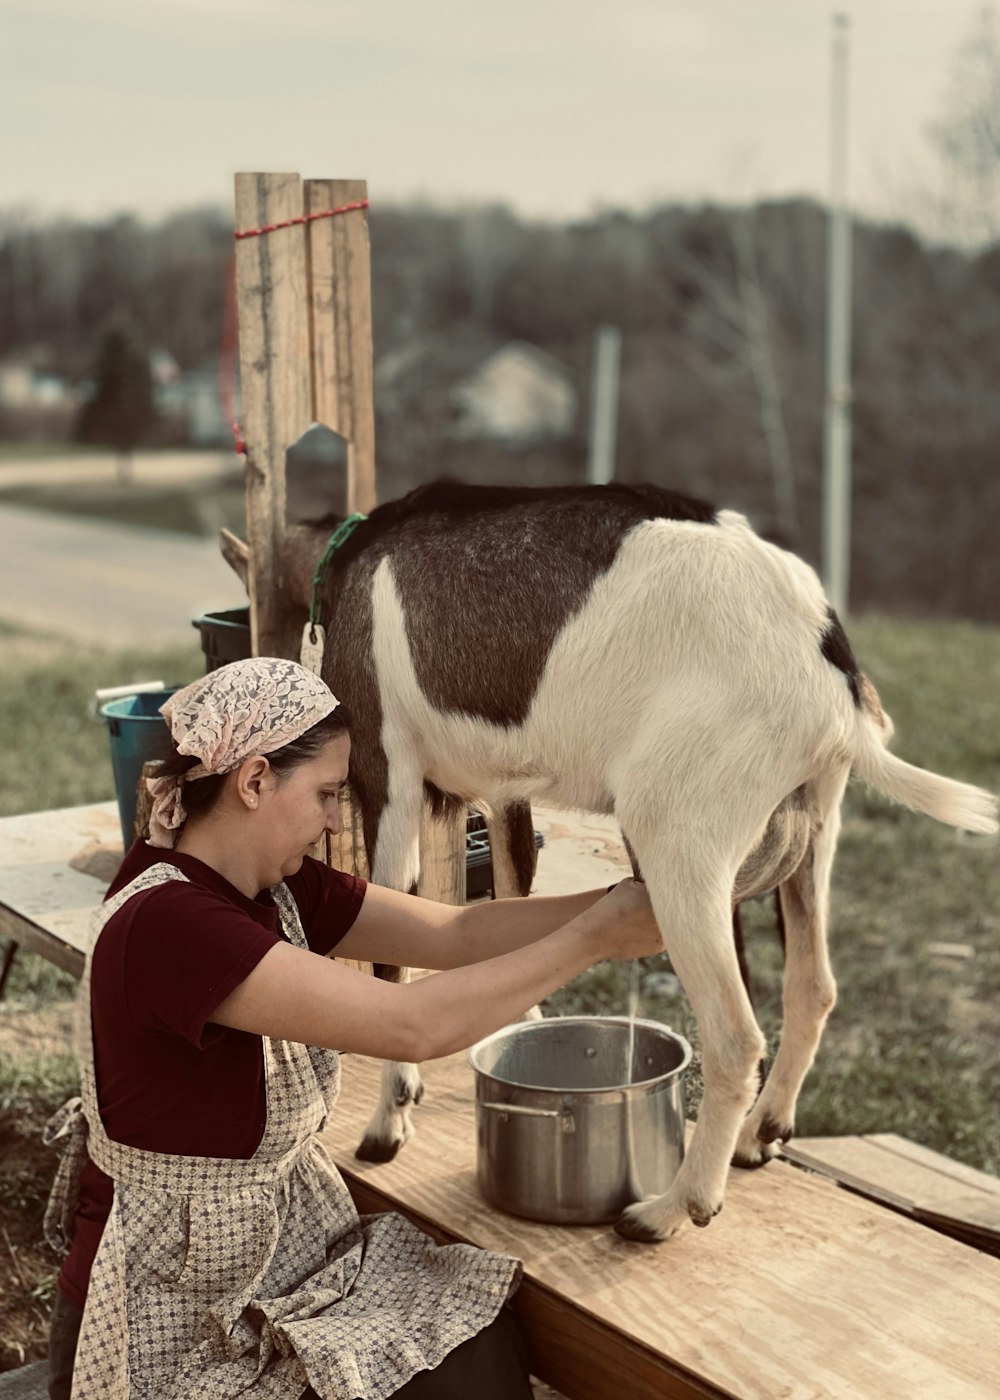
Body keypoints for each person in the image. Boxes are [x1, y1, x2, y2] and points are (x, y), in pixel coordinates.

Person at [44, 657, 662, 1400]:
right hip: (166, 1319)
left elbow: (455, 935)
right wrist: (593, 938)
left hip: (258, 1261)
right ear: (254, 780)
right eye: (328, 794)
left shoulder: (271, 883)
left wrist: (632, 902)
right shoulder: (170, 923)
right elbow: (413, 1025)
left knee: (472, 1331)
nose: (336, 819)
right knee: (456, 1366)